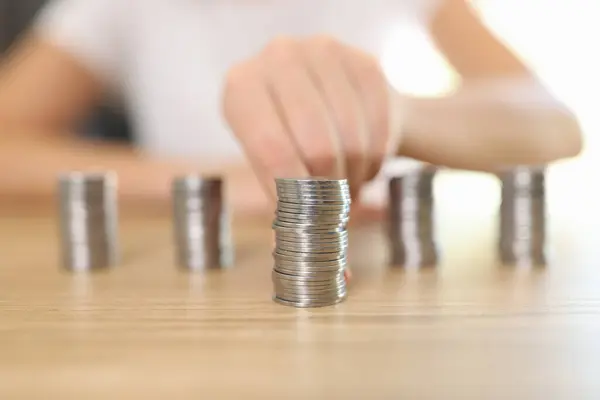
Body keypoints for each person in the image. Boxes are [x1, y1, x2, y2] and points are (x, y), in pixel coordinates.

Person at [0, 0, 582, 217]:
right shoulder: (116, 8)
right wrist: (205, 183)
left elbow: (552, 121)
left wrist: (397, 115)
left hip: (372, 269)